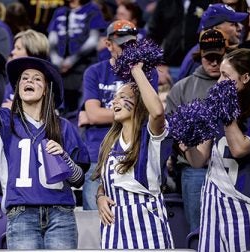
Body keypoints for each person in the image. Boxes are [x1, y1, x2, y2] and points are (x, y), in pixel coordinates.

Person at [0, 51, 90, 249]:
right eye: (24, 78)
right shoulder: (5, 121)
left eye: (36, 78)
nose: (28, 81)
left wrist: (64, 158)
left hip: (61, 214)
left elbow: (79, 179)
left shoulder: (64, 126)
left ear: (47, 89)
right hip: (21, 214)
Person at [183, 48, 250, 252]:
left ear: (245, 77)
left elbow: (239, 149)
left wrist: (227, 112)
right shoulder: (218, 108)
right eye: (220, 75)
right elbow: (198, 161)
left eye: (226, 76)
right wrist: (188, 141)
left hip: (246, 206)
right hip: (212, 203)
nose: (219, 83)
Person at [79, 19, 158, 210]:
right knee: (94, 217)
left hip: (135, 151)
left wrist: (95, 116)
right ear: (108, 44)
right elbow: (93, 113)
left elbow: (148, 111)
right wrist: (98, 115)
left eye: (131, 44)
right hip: (97, 152)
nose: (128, 50)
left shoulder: (146, 72)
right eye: (123, 45)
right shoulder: (95, 71)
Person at [94, 62, 173, 249]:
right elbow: (105, 183)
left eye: (123, 97)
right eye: (114, 98)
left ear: (139, 103)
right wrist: (100, 197)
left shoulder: (151, 134)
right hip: (113, 226)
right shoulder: (109, 141)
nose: (114, 102)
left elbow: (158, 111)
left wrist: (136, 70)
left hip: (147, 221)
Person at [166, 28, 228, 232]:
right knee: (200, 232)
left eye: (218, 57)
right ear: (200, 55)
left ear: (225, 54)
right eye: (208, 57)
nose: (214, 63)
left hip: (230, 166)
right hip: (195, 169)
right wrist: (183, 151)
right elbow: (171, 128)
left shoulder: (235, 86)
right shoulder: (183, 88)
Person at [48, 0, 107, 117]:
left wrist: (72, 60)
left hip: (83, 66)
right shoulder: (59, 11)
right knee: (59, 105)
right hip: (60, 67)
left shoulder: (92, 9)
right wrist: (55, 59)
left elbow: (93, 40)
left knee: (80, 107)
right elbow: (52, 38)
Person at [178, 3, 247, 80]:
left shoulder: (200, 50)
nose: (240, 28)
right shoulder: (200, 58)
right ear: (215, 29)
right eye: (233, 24)